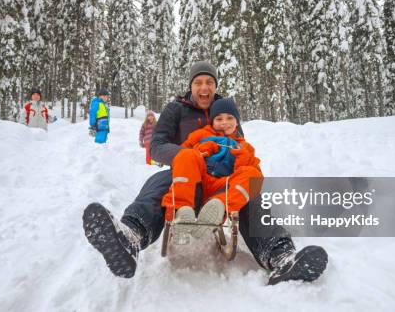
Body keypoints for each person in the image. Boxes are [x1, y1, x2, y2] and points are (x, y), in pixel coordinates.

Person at [82, 61, 328, 285]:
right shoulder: (176, 109)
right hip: (186, 180)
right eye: (199, 82)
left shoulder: (226, 111)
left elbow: (240, 147)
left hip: (223, 186)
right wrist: (189, 157)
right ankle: (131, 237)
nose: (204, 87)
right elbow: (157, 146)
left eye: (209, 82)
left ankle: (281, 256)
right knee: (158, 182)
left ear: (216, 85)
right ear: (191, 85)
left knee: (250, 190)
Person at [162, 97, 262, 239]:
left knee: (253, 174)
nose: (224, 123)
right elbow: (181, 154)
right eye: (219, 119)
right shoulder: (201, 135)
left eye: (230, 118)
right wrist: (200, 150)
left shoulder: (245, 147)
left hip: (223, 187)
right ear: (212, 121)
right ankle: (181, 210)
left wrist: (242, 158)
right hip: (198, 183)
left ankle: (218, 208)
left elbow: (257, 177)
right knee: (186, 155)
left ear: (237, 122)